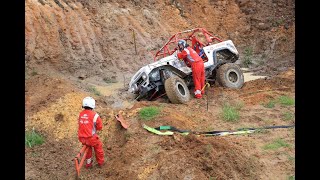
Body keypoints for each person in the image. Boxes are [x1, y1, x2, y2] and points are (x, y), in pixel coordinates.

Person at [78, 96, 105, 168]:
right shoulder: (95, 115)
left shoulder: (81, 114)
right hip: (90, 138)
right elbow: (100, 127)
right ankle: (100, 163)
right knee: (98, 147)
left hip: (81, 138)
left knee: (88, 148)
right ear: (93, 105)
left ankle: (88, 164)